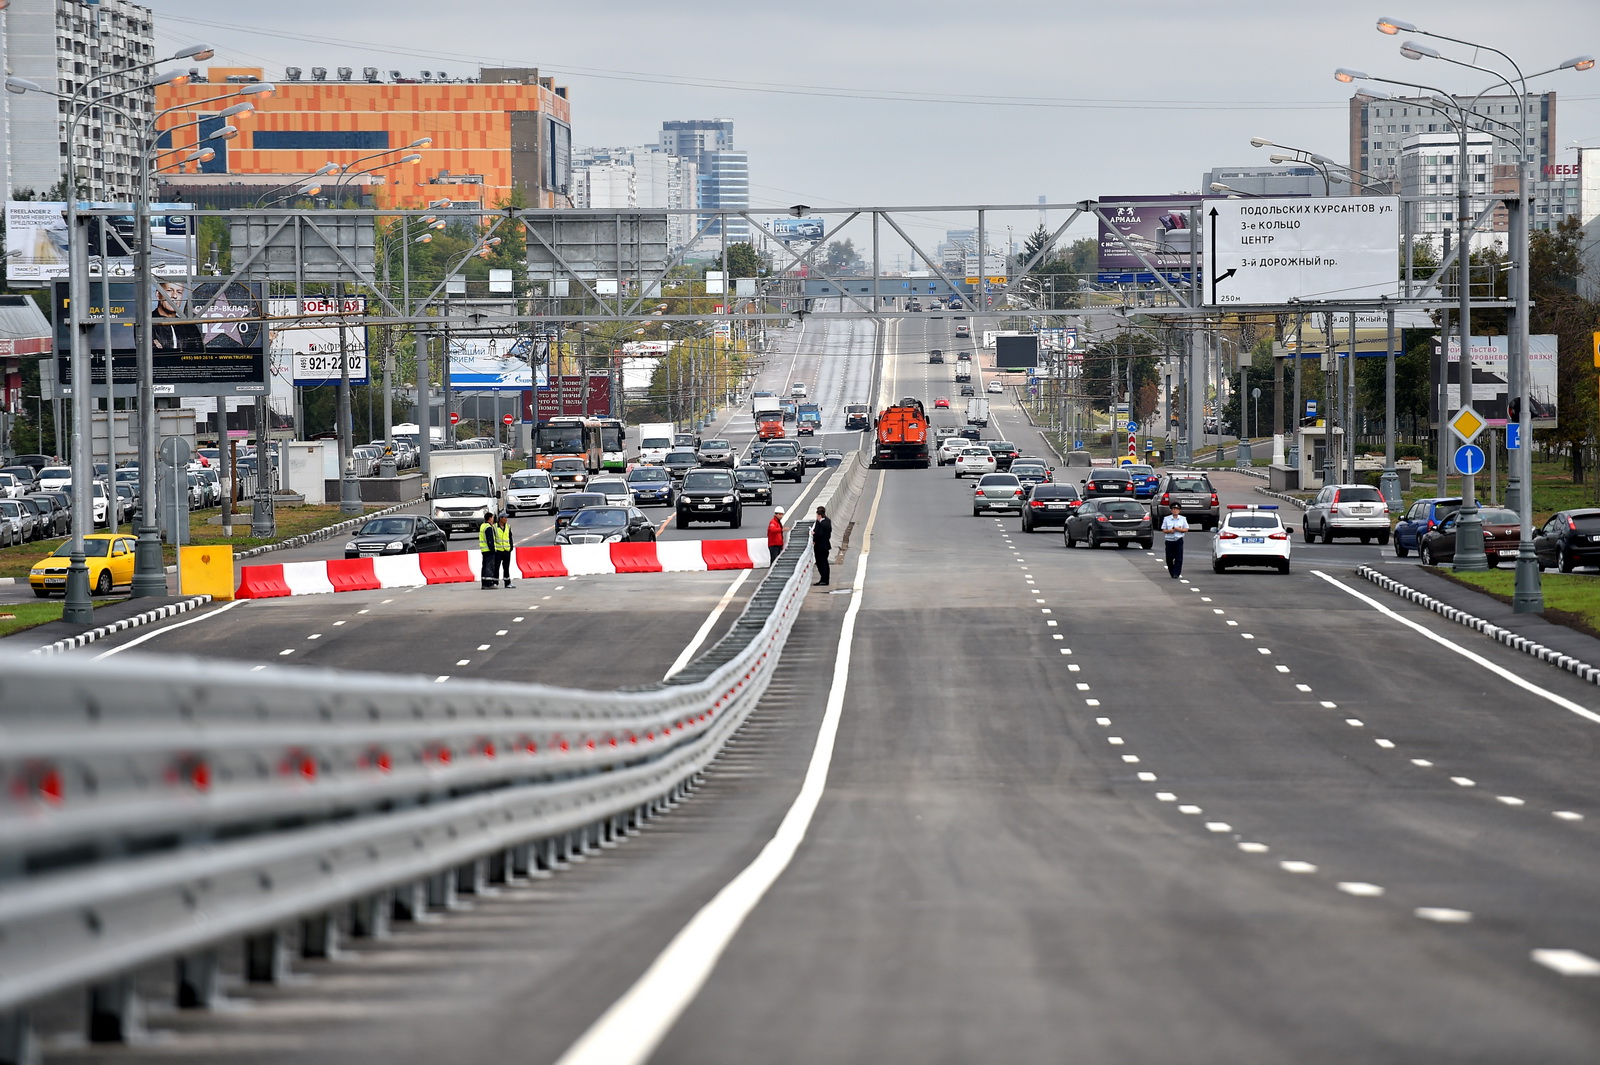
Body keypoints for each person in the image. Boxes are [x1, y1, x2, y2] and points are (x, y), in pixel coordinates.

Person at [1161, 502, 1189, 579]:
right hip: (1169, 540)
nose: (1175, 511)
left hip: (1178, 540)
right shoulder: (1167, 519)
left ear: (1179, 511)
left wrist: (1179, 529)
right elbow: (1163, 530)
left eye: (1177, 509)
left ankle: (1176, 573)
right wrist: (1170, 531)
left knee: (1178, 558)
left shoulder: (1183, 519)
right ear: (1171, 510)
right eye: (1173, 509)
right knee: (1169, 558)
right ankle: (1172, 571)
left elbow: (1186, 529)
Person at [812, 505, 832, 587]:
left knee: (822, 563)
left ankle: (824, 579)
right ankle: (824, 579)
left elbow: (819, 534)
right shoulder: (827, 521)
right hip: (825, 546)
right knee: (824, 563)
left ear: (819, 515)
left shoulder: (823, 524)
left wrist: (814, 534)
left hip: (821, 546)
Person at [492, 512, 514, 587]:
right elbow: (493, 538)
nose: (506, 519)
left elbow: (510, 537)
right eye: (505, 517)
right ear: (500, 519)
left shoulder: (508, 526)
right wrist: (494, 549)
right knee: (496, 567)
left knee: (506, 567)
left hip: (506, 550)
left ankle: (507, 582)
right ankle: (495, 582)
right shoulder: (494, 527)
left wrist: (511, 547)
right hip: (498, 551)